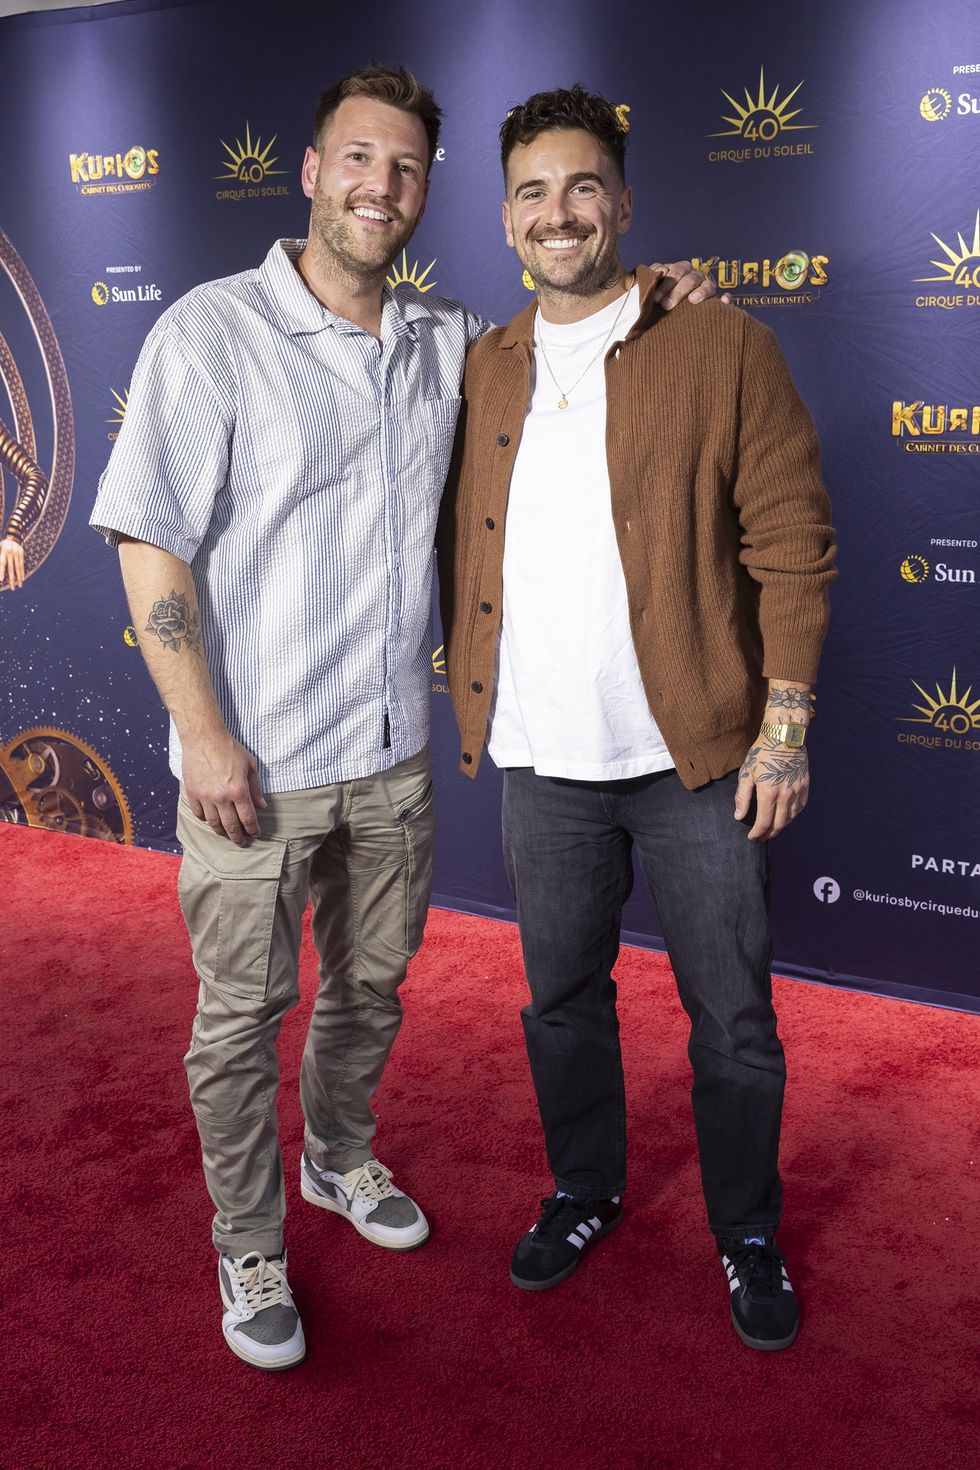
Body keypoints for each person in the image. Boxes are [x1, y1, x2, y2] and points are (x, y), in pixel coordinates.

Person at [89, 65, 717, 1371]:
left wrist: (661, 294)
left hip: (391, 761)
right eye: (358, 160)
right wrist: (200, 730)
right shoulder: (209, 333)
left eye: (408, 169)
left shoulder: (446, 344)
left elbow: (567, 342)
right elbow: (149, 543)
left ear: (430, 196)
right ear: (310, 173)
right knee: (239, 1015)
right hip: (247, 768)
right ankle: (249, 1236)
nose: (382, 185)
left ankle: (338, 1158)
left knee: (369, 990)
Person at [439, 84, 836, 1352]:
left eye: (582, 186)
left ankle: (746, 1228)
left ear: (623, 200)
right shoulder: (480, 361)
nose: (558, 213)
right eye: (532, 192)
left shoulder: (720, 344)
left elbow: (791, 542)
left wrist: (783, 727)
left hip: (697, 758)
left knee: (730, 1014)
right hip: (540, 761)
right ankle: (585, 1188)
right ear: (504, 217)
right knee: (558, 997)